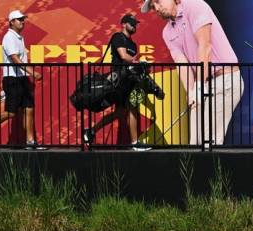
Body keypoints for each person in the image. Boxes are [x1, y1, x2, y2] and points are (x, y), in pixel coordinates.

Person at [141, 0, 243, 147]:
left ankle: (214, 169)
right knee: (195, 143)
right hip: (203, 84)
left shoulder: (195, 5)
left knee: (210, 142)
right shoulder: (167, 32)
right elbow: (182, 64)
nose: (156, 8)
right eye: (152, 7)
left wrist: (199, 86)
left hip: (225, 80)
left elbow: (205, 46)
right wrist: (191, 93)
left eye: (157, 1)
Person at [0, 10, 44, 150]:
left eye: (23, 19)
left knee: (29, 109)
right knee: (11, 112)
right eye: (19, 19)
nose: (22, 21)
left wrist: (27, 75)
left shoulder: (19, 37)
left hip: (22, 79)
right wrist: (32, 73)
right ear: (11, 22)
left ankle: (31, 142)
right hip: (12, 79)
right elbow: (14, 58)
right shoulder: (9, 37)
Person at [83, 14, 151, 151]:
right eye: (131, 23)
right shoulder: (118, 37)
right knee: (132, 108)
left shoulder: (133, 44)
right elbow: (124, 56)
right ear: (124, 24)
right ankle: (135, 143)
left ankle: (90, 131)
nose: (134, 26)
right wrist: (138, 62)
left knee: (120, 112)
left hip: (129, 80)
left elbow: (132, 62)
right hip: (119, 79)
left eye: (135, 24)